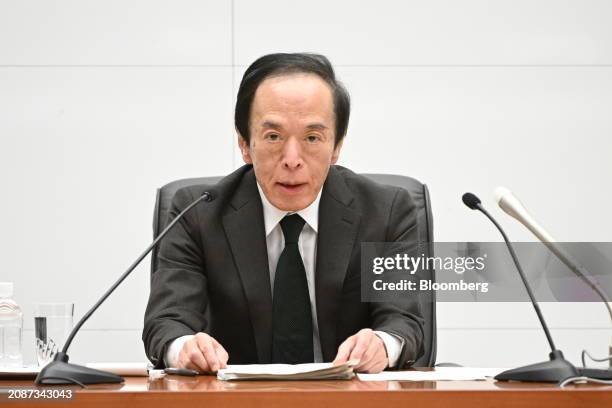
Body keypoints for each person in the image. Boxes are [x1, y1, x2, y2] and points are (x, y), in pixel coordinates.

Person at [143, 53, 424, 374]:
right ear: (245, 144)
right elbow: (166, 322)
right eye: (273, 136)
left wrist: (383, 343)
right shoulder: (199, 214)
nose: (292, 159)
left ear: (336, 147)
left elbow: (406, 322)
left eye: (312, 138)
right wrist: (183, 348)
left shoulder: (386, 212)